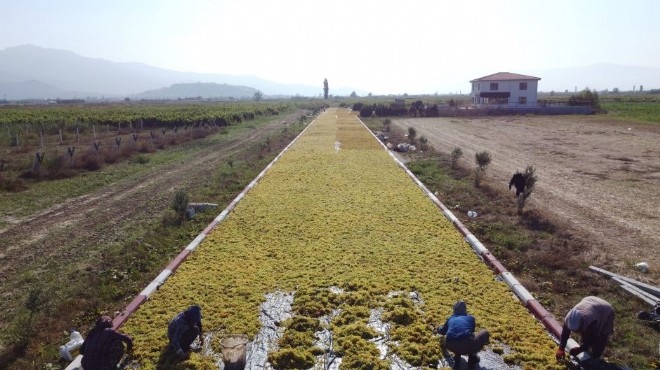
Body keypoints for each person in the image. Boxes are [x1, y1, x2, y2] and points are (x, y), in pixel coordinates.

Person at [556, 296, 614, 360]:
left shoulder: (591, 322)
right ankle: (586, 349)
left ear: (582, 323)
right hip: (590, 301)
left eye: (577, 329)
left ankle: (596, 357)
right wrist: (561, 348)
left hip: (605, 309)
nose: (576, 332)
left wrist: (580, 349)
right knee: (585, 336)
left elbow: (592, 338)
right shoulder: (569, 318)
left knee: (600, 338)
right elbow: (564, 334)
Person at [437, 300, 490, 369]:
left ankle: (457, 356)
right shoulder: (471, 318)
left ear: (454, 310)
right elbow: (471, 333)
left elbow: (443, 331)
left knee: (457, 336)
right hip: (468, 345)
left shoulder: (450, 318)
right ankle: (472, 358)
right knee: (484, 333)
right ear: (465, 309)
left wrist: (438, 328)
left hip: (450, 345)